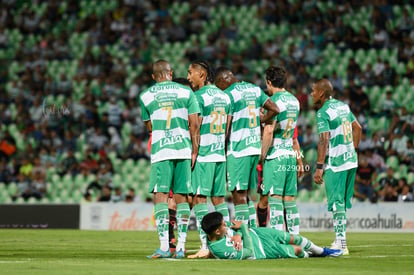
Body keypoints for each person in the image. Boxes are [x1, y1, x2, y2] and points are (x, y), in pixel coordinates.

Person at [140, 60, 200, 259]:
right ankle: (181, 248)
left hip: (161, 152)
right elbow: (194, 125)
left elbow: (150, 128)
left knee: (160, 196)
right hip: (183, 150)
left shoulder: (146, 96)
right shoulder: (187, 93)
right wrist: (194, 151)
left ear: (153, 76)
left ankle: (165, 246)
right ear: (171, 73)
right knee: (182, 198)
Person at [214, 67, 278, 228]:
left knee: (238, 194)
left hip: (238, 150)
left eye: (218, 86)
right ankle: (254, 232)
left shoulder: (229, 94)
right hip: (254, 148)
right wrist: (261, 120)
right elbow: (275, 108)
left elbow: (226, 126)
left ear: (223, 81)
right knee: (247, 195)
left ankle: (244, 236)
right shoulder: (254, 89)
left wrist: (221, 145)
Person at [186, 60, 232, 258]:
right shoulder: (225, 97)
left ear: (202, 75)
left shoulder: (197, 97)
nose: (188, 77)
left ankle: (206, 246)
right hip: (219, 154)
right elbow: (227, 128)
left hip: (204, 154)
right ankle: (227, 240)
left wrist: (194, 151)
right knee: (219, 199)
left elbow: (195, 127)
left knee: (199, 198)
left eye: (190, 73)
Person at [311, 79, 362, 256]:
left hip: (337, 162)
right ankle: (339, 239)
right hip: (351, 160)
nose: (311, 94)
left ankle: (341, 243)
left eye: (313, 91)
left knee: (337, 203)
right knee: (342, 204)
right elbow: (358, 128)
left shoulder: (323, 112)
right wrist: (353, 149)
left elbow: (324, 139)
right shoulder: (343, 106)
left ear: (322, 94)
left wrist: (319, 167)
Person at [259, 66, 303, 234]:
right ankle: (295, 238)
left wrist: (262, 156)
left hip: (275, 155)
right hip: (290, 155)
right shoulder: (295, 101)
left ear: (269, 82)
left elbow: (269, 131)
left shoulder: (274, 102)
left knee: (275, 199)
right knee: (290, 200)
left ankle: (278, 240)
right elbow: (293, 137)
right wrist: (299, 160)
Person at [201, 212, 343, 260]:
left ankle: (322, 251)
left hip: (259, 232)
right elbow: (249, 252)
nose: (226, 224)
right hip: (262, 251)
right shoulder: (220, 249)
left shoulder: (216, 232)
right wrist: (243, 229)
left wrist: (238, 234)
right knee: (297, 250)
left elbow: (237, 230)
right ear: (217, 232)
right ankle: (311, 255)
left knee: (293, 237)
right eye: (223, 225)